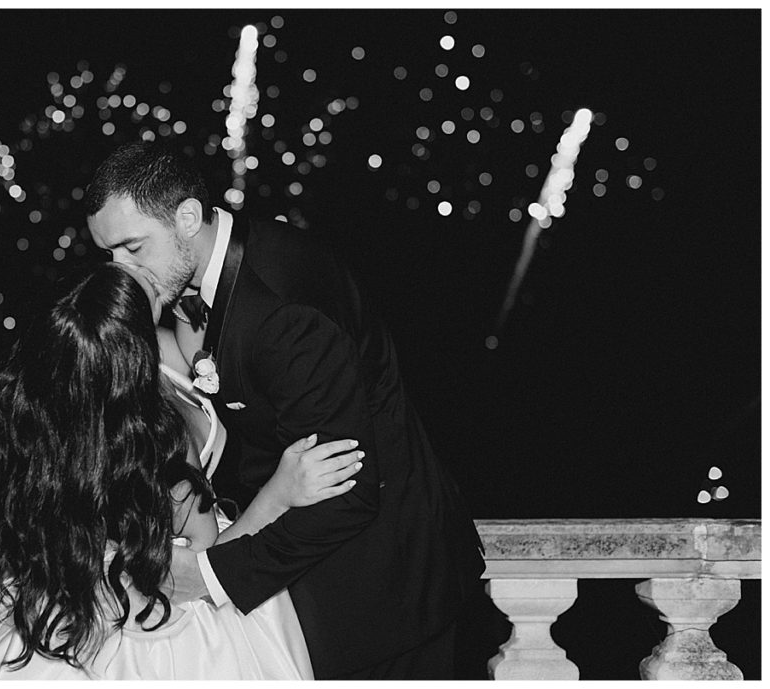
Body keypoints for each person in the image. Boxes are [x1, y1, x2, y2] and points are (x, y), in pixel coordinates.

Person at [86, 141, 486, 679]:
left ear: (186, 217)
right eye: (110, 256)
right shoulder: (195, 277)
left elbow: (347, 491)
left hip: (386, 588)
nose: (123, 272)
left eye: (133, 248)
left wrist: (208, 577)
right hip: (307, 574)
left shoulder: (285, 308)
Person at [0, 262, 363, 680]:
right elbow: (208, 566)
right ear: (136, 352)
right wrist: (278, 494)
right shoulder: (160, 439)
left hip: (48, 600)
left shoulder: (23, 419)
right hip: (161, 624)